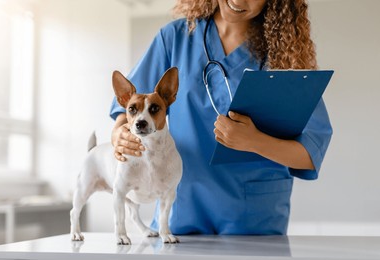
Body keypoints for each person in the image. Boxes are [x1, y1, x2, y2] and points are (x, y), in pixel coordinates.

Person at [109, 0, 332, 235]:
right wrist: (118, 135)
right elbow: (130, 110)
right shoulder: (174, 39)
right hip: (180, 208)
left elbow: (310, 154)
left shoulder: (285, 55)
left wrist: (254, 141)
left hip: (252, 216)